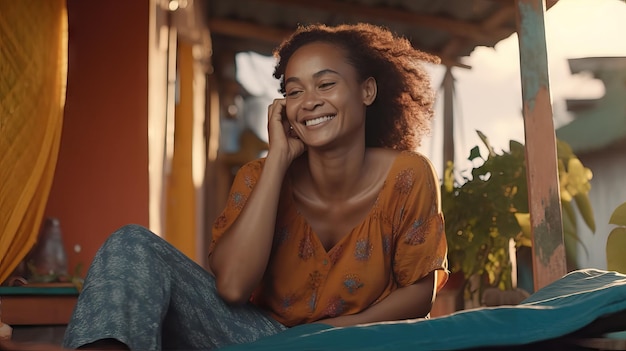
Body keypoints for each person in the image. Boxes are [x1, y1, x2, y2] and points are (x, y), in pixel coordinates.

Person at [0, 22, 448, 351]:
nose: (309, 101)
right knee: (131, 243)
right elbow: (232, 287)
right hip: (260, 340)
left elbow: (419, 292)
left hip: (361, 344)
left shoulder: (407, 175)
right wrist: (277, 163)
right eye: (293, 92)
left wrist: (334, 334)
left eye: (326, 84)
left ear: (367, 91)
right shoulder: (258, 176)